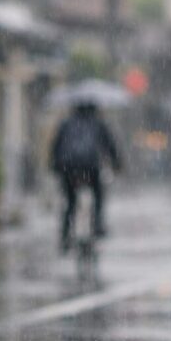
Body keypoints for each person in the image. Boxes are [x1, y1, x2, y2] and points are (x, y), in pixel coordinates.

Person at [50, 102, 121, 251]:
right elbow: (110, 145)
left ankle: (65, 234)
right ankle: (98, 224)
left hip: (68, 167)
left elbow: (56, 146)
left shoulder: (66, 124)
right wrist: (116, 163)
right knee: (98, 194)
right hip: (90, 166)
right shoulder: (98, 123)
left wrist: (55, 166)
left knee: (70, 202)